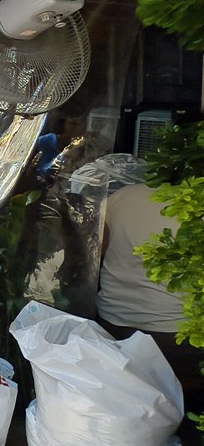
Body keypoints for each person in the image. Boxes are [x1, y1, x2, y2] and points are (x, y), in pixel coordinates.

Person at [96, 182, 204, 442]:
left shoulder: (121, 197)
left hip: (114, 326)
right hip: (179, 338)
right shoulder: (197, 205)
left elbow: (95, 254)